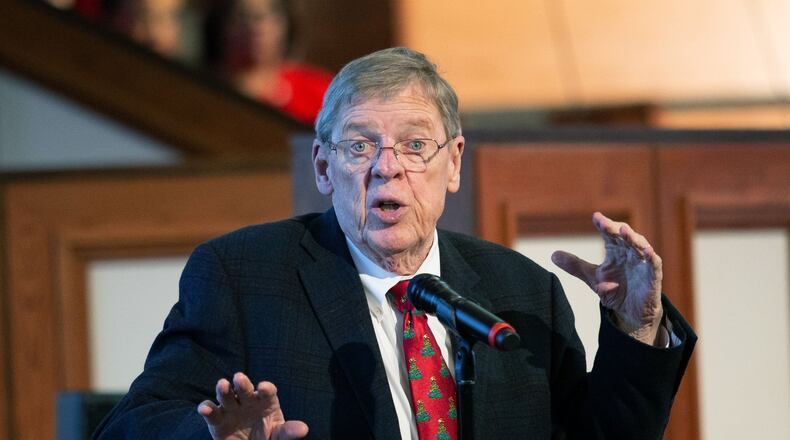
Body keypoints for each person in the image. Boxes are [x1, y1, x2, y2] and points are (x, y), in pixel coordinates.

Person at [94, 47, 696, 439]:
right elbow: (129, 428)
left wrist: (638, 328)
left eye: (414, 145)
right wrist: (212, 436)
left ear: (453, 163)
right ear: (324, 168)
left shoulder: (520, 293)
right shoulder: (241, 276)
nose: (388, 168)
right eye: (360, 146)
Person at [205, 0, 332, 124]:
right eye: (241, 16)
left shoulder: (324, 94)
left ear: (287, 25)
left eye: (269, 13)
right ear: (220, 26)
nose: (256, 27)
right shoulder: (202, 93)